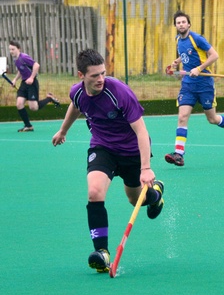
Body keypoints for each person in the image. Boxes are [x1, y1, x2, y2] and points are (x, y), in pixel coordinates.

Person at [52, 49, 164, 273]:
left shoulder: (119, 92)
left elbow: (141, 131)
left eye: (103, 73)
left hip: (132, 151)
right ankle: (101, 253)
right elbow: (76, 106)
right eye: (94, 75)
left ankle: (156, 195)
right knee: (94, 192)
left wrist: (146, 168)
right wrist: (63, 130)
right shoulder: (77, 92)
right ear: (80, 75)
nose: (100, 79)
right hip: (103, 148)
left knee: (135, 200)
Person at [164, 10, 224, 166]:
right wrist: (176, 62)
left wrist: (200, 68)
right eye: (178, 22)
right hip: (188, 85)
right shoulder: (178, 40)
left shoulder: (197, 38)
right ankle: (179, 154)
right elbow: (186, 55)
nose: (181, 24)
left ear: (188, 24)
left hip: (204, 85)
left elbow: (214, 55)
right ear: (175, 26)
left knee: (212, 119)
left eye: (183, 22)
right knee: (182, 117)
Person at [9, 41, 60, 132]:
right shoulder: (15, 60)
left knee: (34, 107)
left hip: (32, 83)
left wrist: (32, 78)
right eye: (10, 49)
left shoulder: (24, 57)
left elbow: (36, 65)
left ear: (18, 49)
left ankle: (49, 98)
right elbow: (21, 70)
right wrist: (15, 80)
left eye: (13, 49)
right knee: (19, 104)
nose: (11, 51)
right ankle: (28, 126)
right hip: (24, 83)